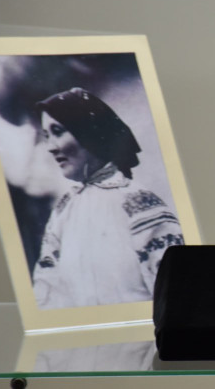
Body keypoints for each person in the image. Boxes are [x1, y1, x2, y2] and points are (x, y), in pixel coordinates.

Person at [32, 87, 184, 309]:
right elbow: (46, 290)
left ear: (88, 132)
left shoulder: (139, 205)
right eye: (47, 136)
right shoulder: (63, 211)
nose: (51, 147)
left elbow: (175, 297)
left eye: (58, 131)